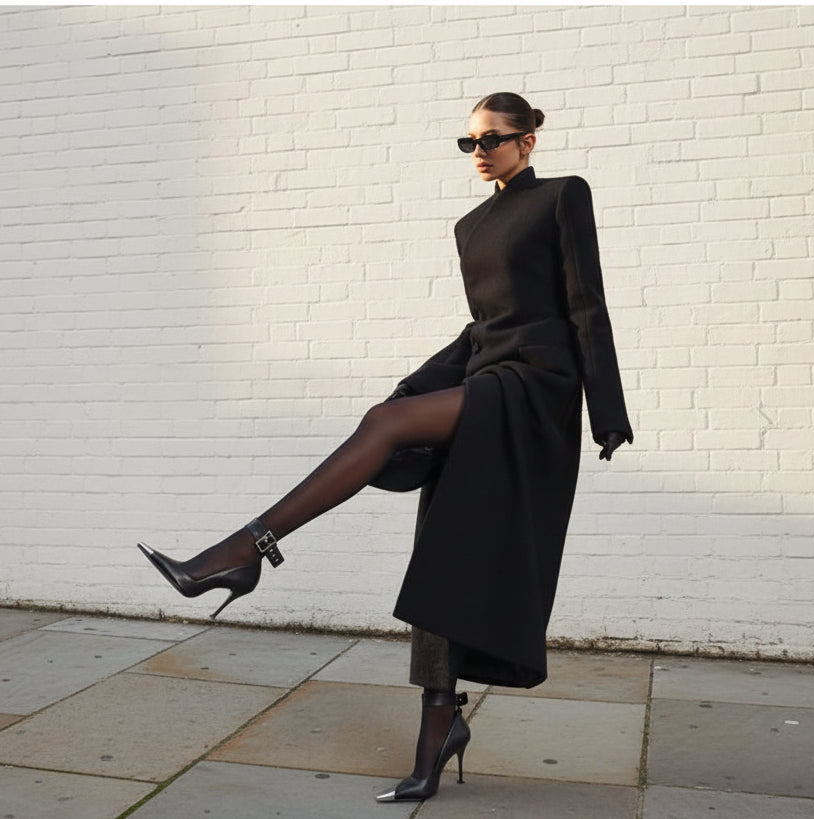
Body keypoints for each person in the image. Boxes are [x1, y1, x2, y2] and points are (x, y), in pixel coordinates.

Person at [138, 91, 633, 804]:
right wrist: (414, 387)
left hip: (534, 390)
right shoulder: (470, 225)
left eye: (493, 138)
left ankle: (243, 550)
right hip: (486, 381)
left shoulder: (561, 195)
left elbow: (586, 301)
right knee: (440, 550)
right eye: (468, 142)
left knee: (383, 425)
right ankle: (437, 733)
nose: (480, 151)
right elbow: (477, 333)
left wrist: (605, 410)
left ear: (528, 140)